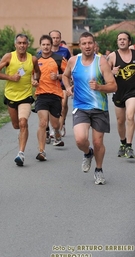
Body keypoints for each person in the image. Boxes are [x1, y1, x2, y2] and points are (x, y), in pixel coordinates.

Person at [62, 32, 117, 185]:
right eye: (84, 43)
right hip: (81, 107)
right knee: (80, 139)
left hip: (100, 108)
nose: (87, 46)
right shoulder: (73, 61)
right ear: (80, 46)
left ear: (94, 45)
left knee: (98, 142)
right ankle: (88, 153)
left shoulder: (102, 62)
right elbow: (65, 76)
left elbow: (113, 86)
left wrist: (99, 87)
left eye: (90, 43)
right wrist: (67, 87)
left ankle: (99, 170)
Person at [0, 34, 41, 166]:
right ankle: (22, 137)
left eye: (24, 43)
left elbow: (37, 72)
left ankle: (21, 153)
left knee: (23, 122)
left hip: (25, 96)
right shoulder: (9, 57)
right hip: (10, 96)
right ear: (15, 45)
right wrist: (10, 78)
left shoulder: (33, 59)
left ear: (28, 44)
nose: (22, 45)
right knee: (16, 125)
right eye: (19, 43)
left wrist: (36, 80)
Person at [34, 35, 67, 161]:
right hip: (41, 94)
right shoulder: (35, 59)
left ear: (51, 45)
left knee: (55, 124)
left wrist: (58, 76)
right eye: (43, 44)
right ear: (40, 45)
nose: (46, 47)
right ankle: (41, 151)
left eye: (48, 44)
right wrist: (34, 81)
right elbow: (32, 75)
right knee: (43, 123)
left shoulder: (58, 59)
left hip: (55, 95)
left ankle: (57, 134)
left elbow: (68, 73)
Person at [107, 32, 135, 158]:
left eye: (124, 39)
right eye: (119, 39)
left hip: (132, 92)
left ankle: (129, 146)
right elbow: (104, 74)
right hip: (118, 92)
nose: (122, 41)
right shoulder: (113, 56)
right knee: (120, 121)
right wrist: (112, 72)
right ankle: (123, 143)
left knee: (130, 116)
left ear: (129, 42)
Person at [49, 30, 71, 138]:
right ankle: (53, 127)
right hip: (49, 84)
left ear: (60, 38)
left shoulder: (65, 51)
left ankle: (60, 127)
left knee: (63, 105)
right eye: (53, 38)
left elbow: (70, 67)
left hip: (62, 82)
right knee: (51, 107)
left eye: (57, 37)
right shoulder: (43, 52)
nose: (55, 40)